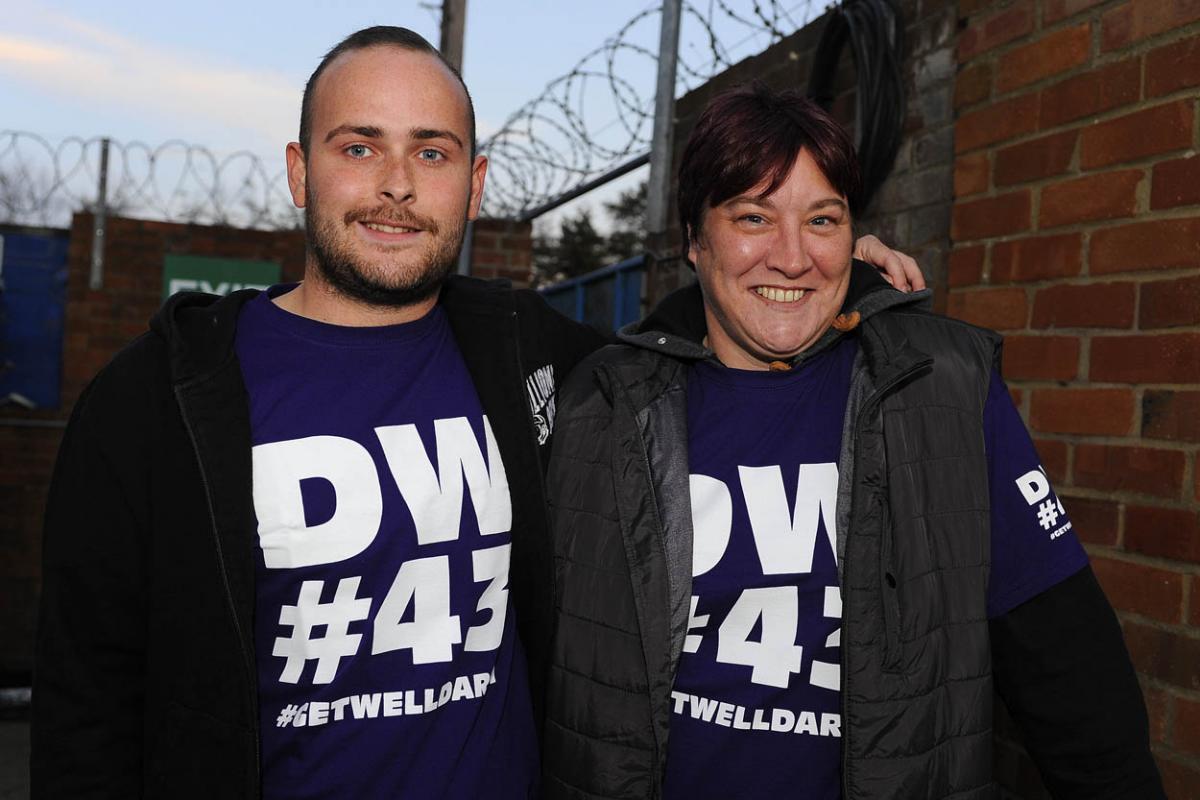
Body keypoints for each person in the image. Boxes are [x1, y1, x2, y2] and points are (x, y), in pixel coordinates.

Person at [30, 27, 924, 800]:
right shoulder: (156, 401)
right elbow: (86, 710)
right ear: (300, 172)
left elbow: (681, 347)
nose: (396, 185)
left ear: (475, 180)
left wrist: (816, 270)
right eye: (357, 147)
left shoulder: (521, 351)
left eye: (431, 151)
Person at [541, 84, 1164, 799]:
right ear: (694, 238)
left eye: (823, 219)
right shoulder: (603, 401)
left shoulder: (940, 390)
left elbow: (1069, 663)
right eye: (753, 216)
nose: (793, 256)